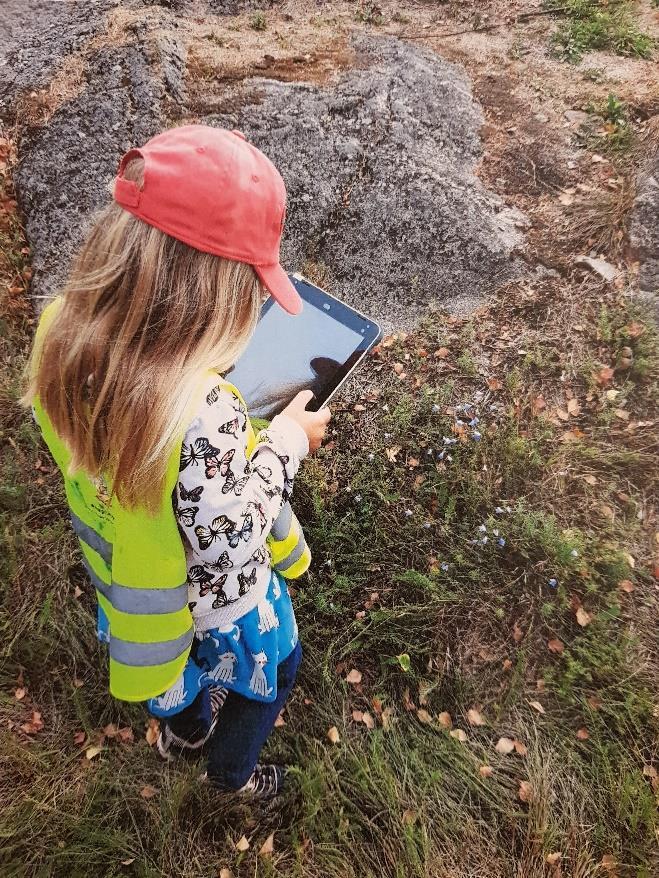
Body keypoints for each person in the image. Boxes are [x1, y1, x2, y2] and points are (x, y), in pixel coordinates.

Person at [23, 125, 331, 798]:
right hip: (225, 607)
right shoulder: (202, 411)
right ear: (211, 288)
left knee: (174, 674)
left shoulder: (59, 334)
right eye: (246, 281)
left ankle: (184, 731)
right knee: (275, 673)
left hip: (133, 592)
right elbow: (234, 539)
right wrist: (284, 442)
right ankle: (231, 776)